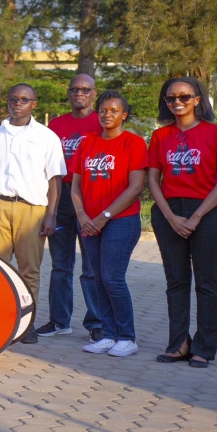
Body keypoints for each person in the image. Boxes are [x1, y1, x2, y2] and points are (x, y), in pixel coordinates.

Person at [148, 77, 217, 369]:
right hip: (170, 213)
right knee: (175, 283)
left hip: (209, 214)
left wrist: (197, 216)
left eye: (184, 97)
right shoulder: (161, 136)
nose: (177, 102)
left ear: (197, 99)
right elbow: (153, 180)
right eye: (171, 98)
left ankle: (203, 348)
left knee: (206, 284)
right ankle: (178, 344)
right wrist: (170, 216)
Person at [0, 83, 65, 345]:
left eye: (24, 100)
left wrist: (51, 214)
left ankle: (26, 324)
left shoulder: (46, 137)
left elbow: (54, 179)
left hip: (32, 210)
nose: (18, 103)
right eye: (13, 99)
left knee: (29, 271)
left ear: (33, 105)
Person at [70, 90, 146, 357]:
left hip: (120, 222)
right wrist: (81, 215)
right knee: (97, 279)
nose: (107, 115)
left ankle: (127, 337)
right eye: (103, 110)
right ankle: (108, 333)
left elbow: (136, 187)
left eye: (114, 110)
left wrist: (104, 217)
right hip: (89, 222)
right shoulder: (86, 143)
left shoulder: (133, 143)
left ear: (124, 115)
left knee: (112, 279)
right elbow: (76, 185)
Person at [38, 74, 105, 341]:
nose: (79, 93)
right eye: (75, 89)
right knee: (61, 265)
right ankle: (59, 320)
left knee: (91, 267)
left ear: (93, 93)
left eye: (85, 89)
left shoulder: (101, 122)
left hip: (90, 198)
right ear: (69, 93)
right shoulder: (56, 124)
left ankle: (96, 323)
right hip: (60, 196)